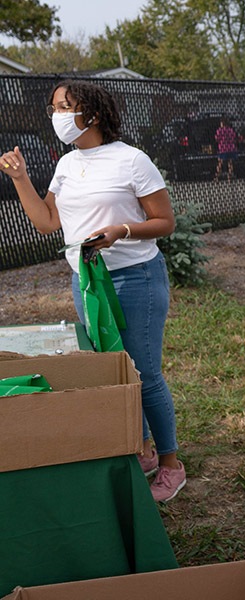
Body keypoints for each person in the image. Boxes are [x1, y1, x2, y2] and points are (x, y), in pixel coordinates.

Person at [0, 79, 186, 503]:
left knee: (143, 371)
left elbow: (164, 222)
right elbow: (48, 221)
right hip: (86, 281)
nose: (57, 115)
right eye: (53, 108)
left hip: (134, 278)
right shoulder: (66, 165)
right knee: (112, 370)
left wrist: (122, 230)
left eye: (64, 106)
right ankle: (141, 451)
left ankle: (172, 464)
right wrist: (20, 179)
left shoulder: (132, 161)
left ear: (94, 113)